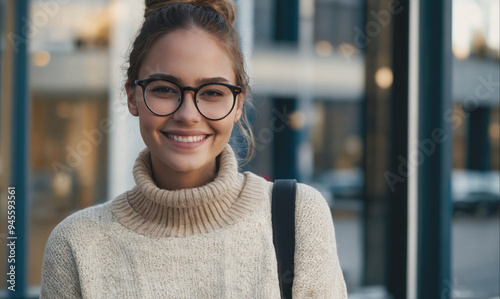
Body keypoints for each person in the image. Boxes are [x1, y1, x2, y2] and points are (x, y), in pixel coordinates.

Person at [40, 0, 347, 298]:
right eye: (164, 89)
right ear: (132, 96)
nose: (188, 114)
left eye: (213, 92)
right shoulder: (77, 245)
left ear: (238, 104)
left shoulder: (297, 217)